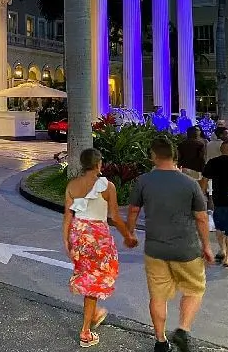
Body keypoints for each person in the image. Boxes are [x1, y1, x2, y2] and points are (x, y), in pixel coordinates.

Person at [127, 138, 213, 352]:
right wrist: (207, 247)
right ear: (175, 156)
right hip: (187, 249)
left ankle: (160, 341)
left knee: (158, 296)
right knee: (194, 290)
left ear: (153, 156)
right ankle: (183, 329)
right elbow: (201, 218)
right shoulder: (190, 183)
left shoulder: (144, 181)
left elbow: (133, 211)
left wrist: (130, 233)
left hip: (155, 249)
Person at [64, 148, 136, 348]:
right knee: (95, 281)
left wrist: (66, 242)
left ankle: (94, 313)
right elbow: (114, 216)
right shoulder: (107, 186)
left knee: (87, 276)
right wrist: (128, 235)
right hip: (97, 237)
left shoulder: (72, 185)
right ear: (98, 164)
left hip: (78, 234)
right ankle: (86, 332)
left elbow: (68, 217)